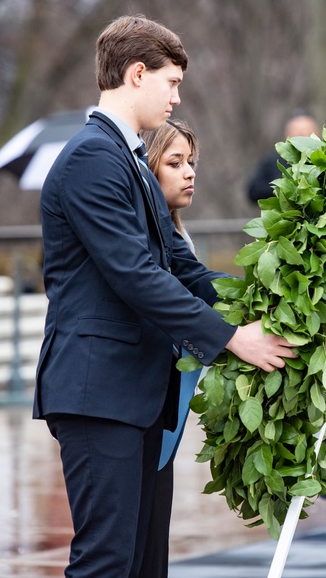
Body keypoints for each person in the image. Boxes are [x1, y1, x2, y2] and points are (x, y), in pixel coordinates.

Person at [33, 14, 294, 578]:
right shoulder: (90, 159)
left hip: (136, 393)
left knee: (146, 565)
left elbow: (180, 266)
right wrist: (230, 339)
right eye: (171, 82)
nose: (177, 97)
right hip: (97, 393)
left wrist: (269, 302)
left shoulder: (125, 159)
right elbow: (134, 275)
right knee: (107, 562)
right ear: (135, 74)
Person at [136, 118, 202, 578]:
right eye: (175, 162)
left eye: (192, 162)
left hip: (167, 410)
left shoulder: (179, 240)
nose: (189, 172)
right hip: (138, 404)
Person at [246, 109, 319, 204]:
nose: (302, 135)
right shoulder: (272, 161)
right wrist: (284, 188)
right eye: (297, 131)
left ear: (317, 132)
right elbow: (254, 192)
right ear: (287, 134)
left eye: (306, 130)